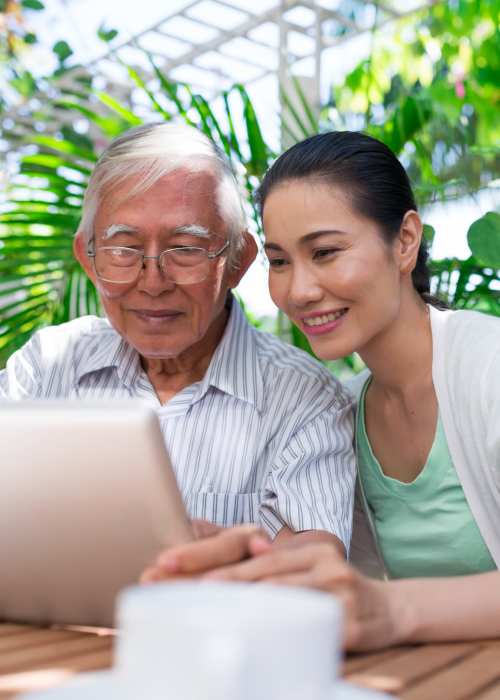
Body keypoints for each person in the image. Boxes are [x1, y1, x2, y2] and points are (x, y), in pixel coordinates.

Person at [145, 131, 500, 650]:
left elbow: (382, 608)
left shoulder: (487, 365)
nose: (299, 290)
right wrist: (251, 566)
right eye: (281, 261)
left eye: (326, 252)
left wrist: (391, 610)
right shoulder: (346, 410)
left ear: (404, 242)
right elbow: (343, 596)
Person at [0, 123, 356, 555]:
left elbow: (313, 567)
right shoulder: (46, 366)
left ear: (238, 260)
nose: (153, 282)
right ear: (88, 259)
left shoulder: (303, 399)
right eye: (124, 249)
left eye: (186, 248)